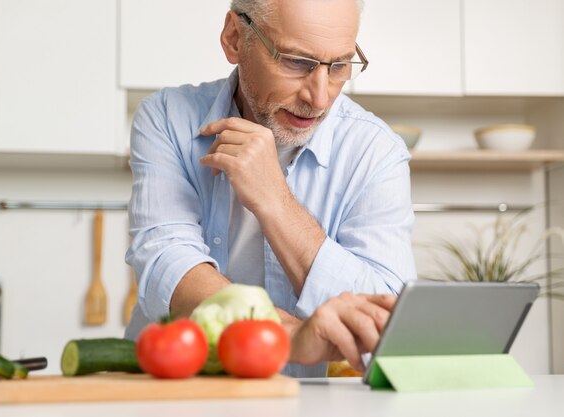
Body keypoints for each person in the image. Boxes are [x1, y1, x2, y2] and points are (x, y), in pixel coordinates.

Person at [125, 0, 416, 377]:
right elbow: (170, 266)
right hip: (176, 390)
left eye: (340, 66)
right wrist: (289, 335)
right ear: (234, 38)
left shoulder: (377, 152)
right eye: (296, 62)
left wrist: (274, 200)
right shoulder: (167, 118)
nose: (320, 97)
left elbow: (386, 322)